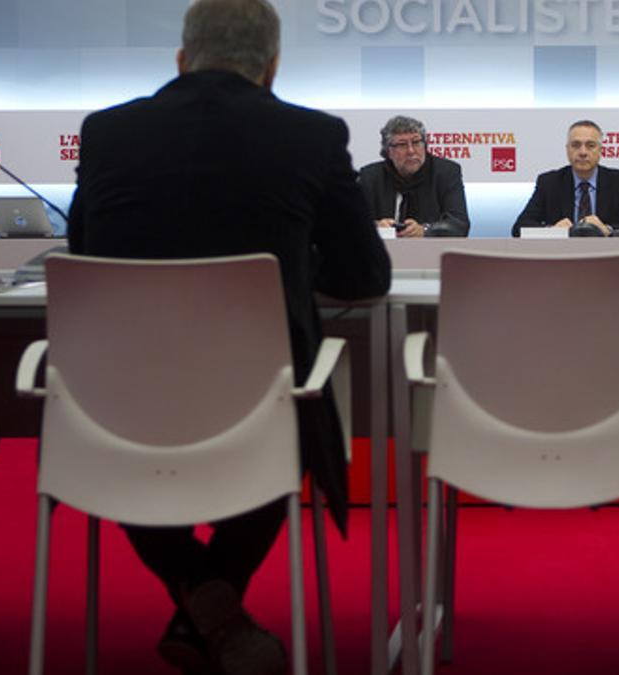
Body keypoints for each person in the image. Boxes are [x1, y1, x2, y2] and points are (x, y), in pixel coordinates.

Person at [66, 1, 392, 674]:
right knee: (284, 429)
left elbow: (85, 252)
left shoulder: (106, 132)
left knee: (132, 458)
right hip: (261, 398)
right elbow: (365, 275)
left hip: (121, 401)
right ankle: (217, 613)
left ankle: (201, 605)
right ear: (270, 68)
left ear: (181, 59)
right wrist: (296, 266)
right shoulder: (312, 136)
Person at [511, 120, 619, 237]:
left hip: (608, 258)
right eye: (576, 145)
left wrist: (607, 229)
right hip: (561, 258)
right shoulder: (549, 182)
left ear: (601, 150)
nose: (583, 152)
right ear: (567, 149)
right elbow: (518, 229)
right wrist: (551, 231)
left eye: (590, 146)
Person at [358, 115, 470, 237]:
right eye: (402, 144)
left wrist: (425, 230)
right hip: (383, 252)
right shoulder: (370, 177)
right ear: (388, 151)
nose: (411, 151)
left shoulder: (446, 172)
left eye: (416, 142)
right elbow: (348, 222)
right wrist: (375, 226)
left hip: (430, 252)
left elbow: (459, 224)